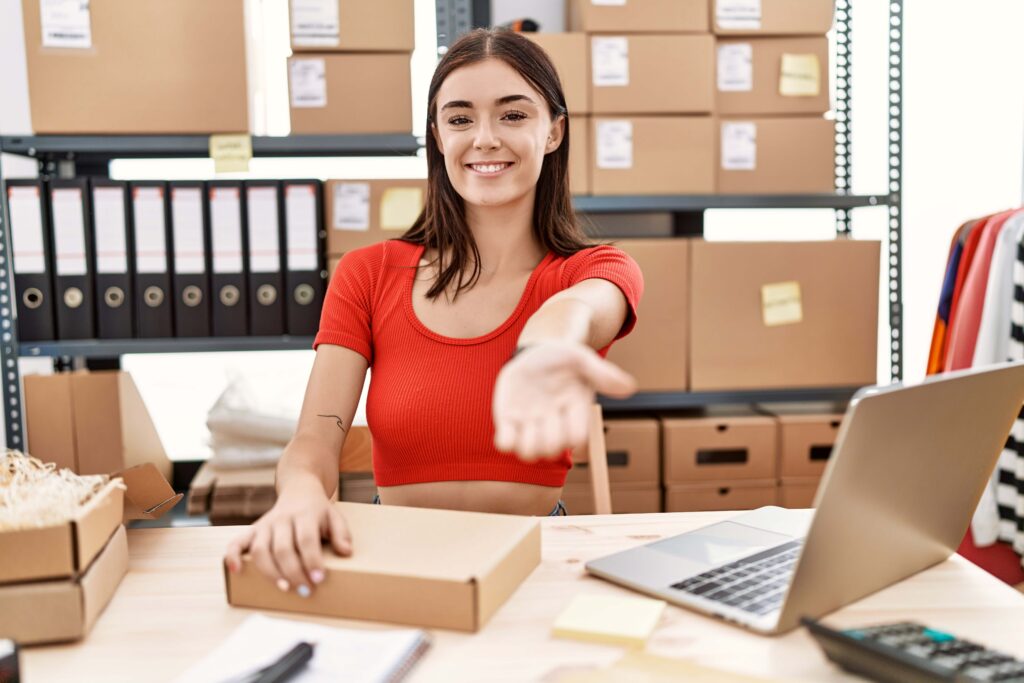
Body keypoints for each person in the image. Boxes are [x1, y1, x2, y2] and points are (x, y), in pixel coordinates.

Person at [224, 28, 644, 596]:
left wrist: (547, 346)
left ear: (554, 132)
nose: (486, 139)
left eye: (514, 115)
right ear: (437, 135)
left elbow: (580, 308)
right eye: (461, 118)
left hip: (536, 563)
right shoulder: (368, 273)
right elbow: (315, 441)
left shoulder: (591, 269)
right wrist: (300, 495)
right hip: (394, 554)